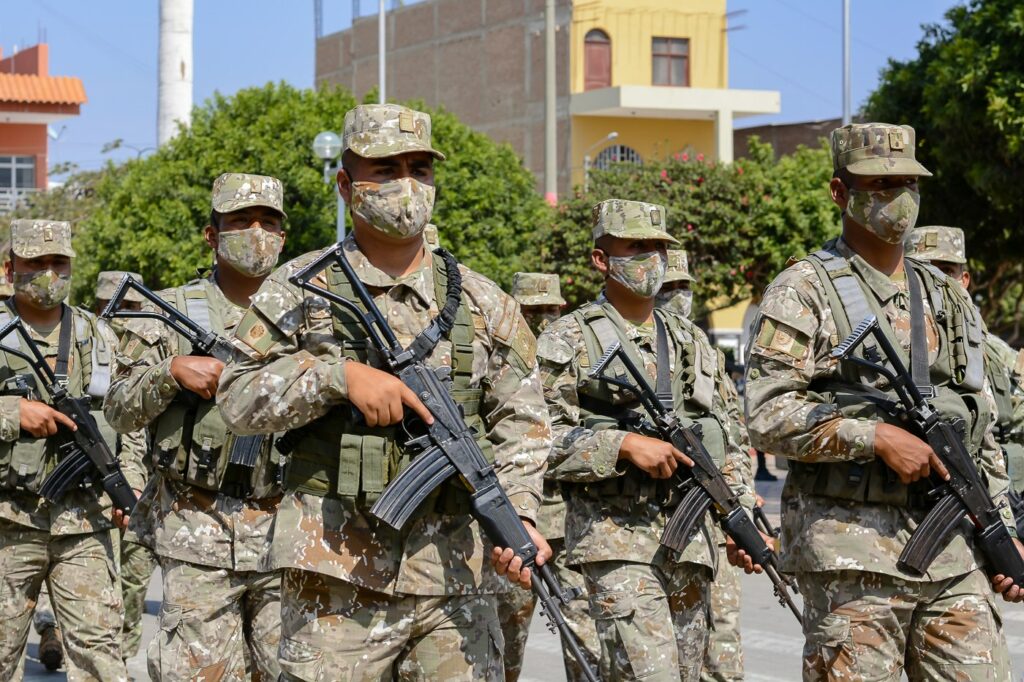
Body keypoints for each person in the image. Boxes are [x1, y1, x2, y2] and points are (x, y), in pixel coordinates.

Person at [217, 103, 552, 681]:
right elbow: (235, 396)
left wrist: (518, 511)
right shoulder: (298, 287)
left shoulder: (483, 301)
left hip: (455, 581)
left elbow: (525, 422)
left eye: (419, 169)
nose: (406, 185)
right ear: (346, 185)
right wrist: (337, 378)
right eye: (386, 170)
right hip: (334, 578)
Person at [743, 123, 1022, 681]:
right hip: (851, 558)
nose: (898, 197)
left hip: (956, 554)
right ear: (840, 193)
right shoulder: (804, 289)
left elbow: (980, 425)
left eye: (907, 183)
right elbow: (766, 413)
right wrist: (874, 436)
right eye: (879, 184)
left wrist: (1003, 526)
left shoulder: (947, 295)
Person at [537, 199, 756, 681]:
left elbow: (729, 434)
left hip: (693, 544)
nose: (652, 259)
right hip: (617, 542)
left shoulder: (691, 340)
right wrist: (621, 446)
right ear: (601, 260)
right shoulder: (567, 339)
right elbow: (536, 438)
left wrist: (738, 515)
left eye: (658, 247)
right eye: (636, 247)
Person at [104, 174, 288, 680]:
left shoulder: (312, 315)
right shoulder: (167, 314)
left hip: (288, 534)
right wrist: (170, 373)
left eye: (268, 222)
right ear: (212, 235)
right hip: (195, 532)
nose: (256, 233)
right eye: (241, 221)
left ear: (283, 237)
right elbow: (118, 409)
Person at [0, 219, 128, 681]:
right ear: (10, 268)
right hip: (8, 521)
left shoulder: (98, 335)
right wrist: (12, 413)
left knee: (100, 659)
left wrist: (128, 487)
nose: (49, 273)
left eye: (59, 262)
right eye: (36, 262)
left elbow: (126, 422)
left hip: (86, 523)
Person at [655, 249, 753, 682]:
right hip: (645, 520)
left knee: (722, 642)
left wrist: (741, 507)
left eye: (684, 286)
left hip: (713, 517)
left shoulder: (706, 354)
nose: (679, 296)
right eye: (669, 287)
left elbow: (734, 435)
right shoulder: (628, 347)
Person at [499, 272, 598, 682]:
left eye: (550, 310)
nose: (542, 319)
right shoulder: (499, 363)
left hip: (572, 525)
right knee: (505, 643)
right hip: (516, 526)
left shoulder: (580, 361)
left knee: (587, 644)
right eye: (532, 311)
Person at [906, 225, 1024, 508]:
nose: (936, 280)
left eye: (946, 271)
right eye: (924, 270)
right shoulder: (893, 343)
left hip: (990, 489)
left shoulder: (993, 350)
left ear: (965, 279)